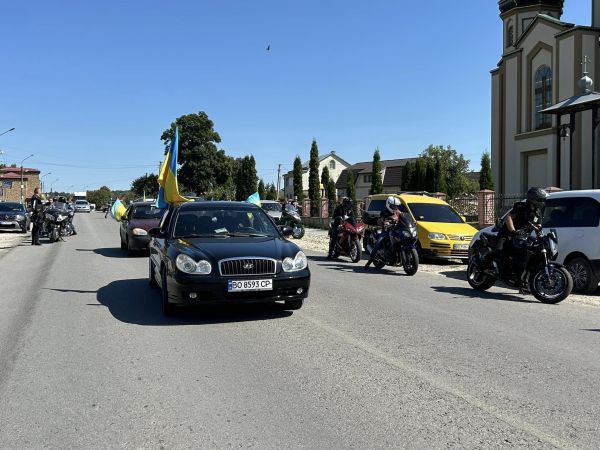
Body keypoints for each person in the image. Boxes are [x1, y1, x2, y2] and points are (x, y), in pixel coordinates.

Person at [478, 187, 548, 274]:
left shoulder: (538, 212)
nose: (542, 202)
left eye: (543, 199)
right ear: (534, 198)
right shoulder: (521, 207)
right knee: (499, 249)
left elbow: (538, 225)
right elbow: (509, 217)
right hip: (507, 234)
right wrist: (513, 230)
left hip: (523, 237)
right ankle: (482, 265)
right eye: (541, 199)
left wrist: (540, 233)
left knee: (527, 253)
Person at [365, 196, 402, 269]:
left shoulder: (398, 213)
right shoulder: (384, 213)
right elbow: (380, 220)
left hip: (396, 231)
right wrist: (384, 222)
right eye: (393, 206)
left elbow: (404, 218)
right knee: (378, 244)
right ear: (389, 205)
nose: (394, 207)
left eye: (396, 206)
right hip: (386, 232)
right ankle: (369, 261)